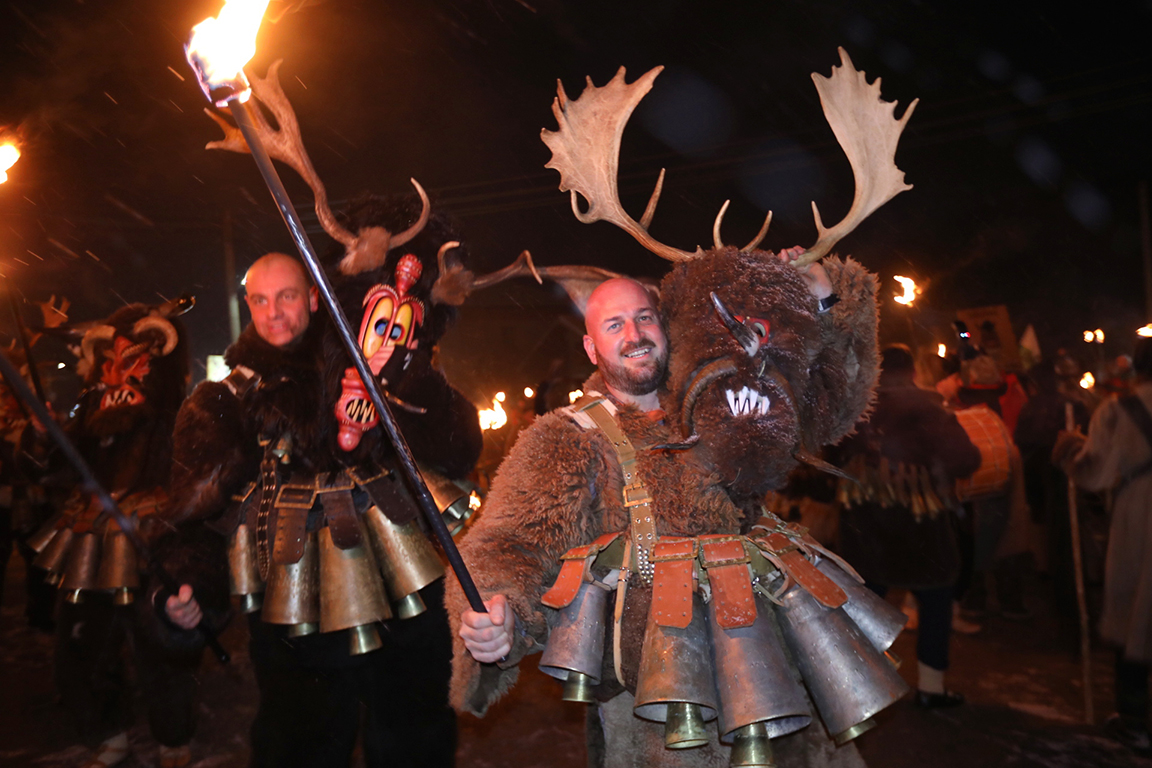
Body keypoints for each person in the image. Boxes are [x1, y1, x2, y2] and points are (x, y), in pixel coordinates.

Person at [450, 249, 894, 767]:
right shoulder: (566, 438)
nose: (634, 334)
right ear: (592, 348)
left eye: (644, 317)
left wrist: (819, 296)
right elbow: (508, 544)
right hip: (655, 698)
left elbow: (827, 406)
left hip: (775, 664)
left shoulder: (722, 402)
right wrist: (497, 610)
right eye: (614, 325)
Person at [162, 211, 481, 767]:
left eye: (285, 296)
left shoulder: (372, 354)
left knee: (414, 736)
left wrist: (411, 376)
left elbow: (456, 447)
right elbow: (198, 513)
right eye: (259, 301)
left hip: (399, 586)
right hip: (294, 600)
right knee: (299, 743)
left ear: (313, 298)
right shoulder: (231, 397)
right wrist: (188, 586)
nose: (272, 312)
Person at [27, 300, 199, 768]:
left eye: (134, 362)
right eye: (111, 363)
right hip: (90, 534)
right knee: (83, 642)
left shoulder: (172, 420)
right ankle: (108, 731)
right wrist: (45, 437)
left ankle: (173, 737)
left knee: (158, 641)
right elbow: (54, 470)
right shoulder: (91, 419)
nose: (120, 377)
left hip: (150, 531)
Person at [835, 344, 981, 707]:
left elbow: (828, 460)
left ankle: (856, 687)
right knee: (934, 605)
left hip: (867, 531)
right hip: (923, 530)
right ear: (914, 373)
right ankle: (931, 689)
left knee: (864, 610)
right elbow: (966, 460)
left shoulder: (855, 412)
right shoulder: (931, 410)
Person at [1056, 335, 1152, 757]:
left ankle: (1134, 718)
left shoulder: (1120, 411)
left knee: (1137, 608)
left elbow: (1094, 472)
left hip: (1142, 515)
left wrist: (1070, 451)